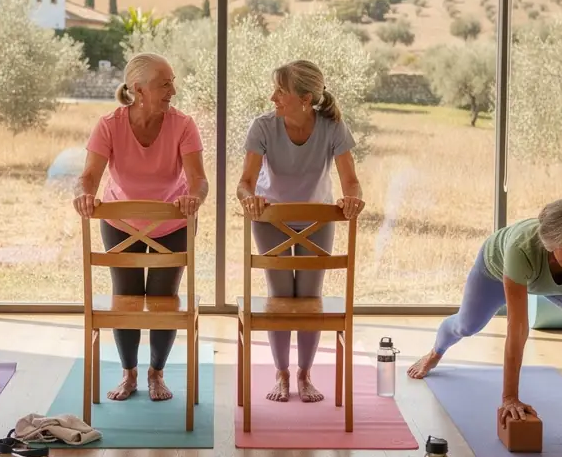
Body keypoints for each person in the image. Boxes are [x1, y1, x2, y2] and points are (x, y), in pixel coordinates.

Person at [408, 195, 562, 450]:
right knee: (467, 324)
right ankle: (435, 351)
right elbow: (517, 328)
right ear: (550, 242)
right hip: (496, 272)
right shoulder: (522, 247)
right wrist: (510, 398)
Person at [73, 52, 208, 402]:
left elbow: (199, 180)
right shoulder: (109, 125)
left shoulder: (183, 124)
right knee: (127, 301)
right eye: (165, 84)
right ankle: (129, 373)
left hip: (173, 225)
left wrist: (193, 197)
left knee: (164, 302)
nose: (173, 91)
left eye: (173, 82)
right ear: (139, 89)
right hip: (121, 225)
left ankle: (156, 373)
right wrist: (84, 195)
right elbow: (88, 176)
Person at [236, 59, 364, 404]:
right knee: (279, 298)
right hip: (271, 220)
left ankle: (305, 375)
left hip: (316, 220)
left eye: (281, 91)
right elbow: (245, 184)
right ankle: (281, 374)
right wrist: (250, 201)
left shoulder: (333, 127)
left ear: (305, 99)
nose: (273, 96)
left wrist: (352, 201)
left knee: (309, 299)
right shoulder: (262, 127)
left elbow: (350, 182)